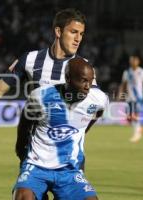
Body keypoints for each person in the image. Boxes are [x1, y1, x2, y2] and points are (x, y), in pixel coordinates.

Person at [0, 8, 93, 199]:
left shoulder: (83, 68)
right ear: (58, 31)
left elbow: (93, 107)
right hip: (36, 156)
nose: (78, 38)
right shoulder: (30, 60)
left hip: (70, 160)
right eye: (73, 32)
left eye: (81, 34)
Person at [13, 57, 108, 200]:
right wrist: (21, 153)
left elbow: (97, 113)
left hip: (69, 171)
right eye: (83, 80)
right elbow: (25, 124)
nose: (88, 86)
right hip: (36, 166)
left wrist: (81, 132)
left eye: (90, 80)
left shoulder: (99, 99)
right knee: (22, 197)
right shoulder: (40, 96)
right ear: (68, 78)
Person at [118, 54, 143, 143]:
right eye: (131, 60)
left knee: (135, 115)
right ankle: (138, 129)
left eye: (134, 60)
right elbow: (123, 85)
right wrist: (120, 95)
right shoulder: (127, 72)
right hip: (129, 97)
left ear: (138, 61)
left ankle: (137, 134)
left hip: (138, 97)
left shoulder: (142, 72)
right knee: (129, 117)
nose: (133, 62)